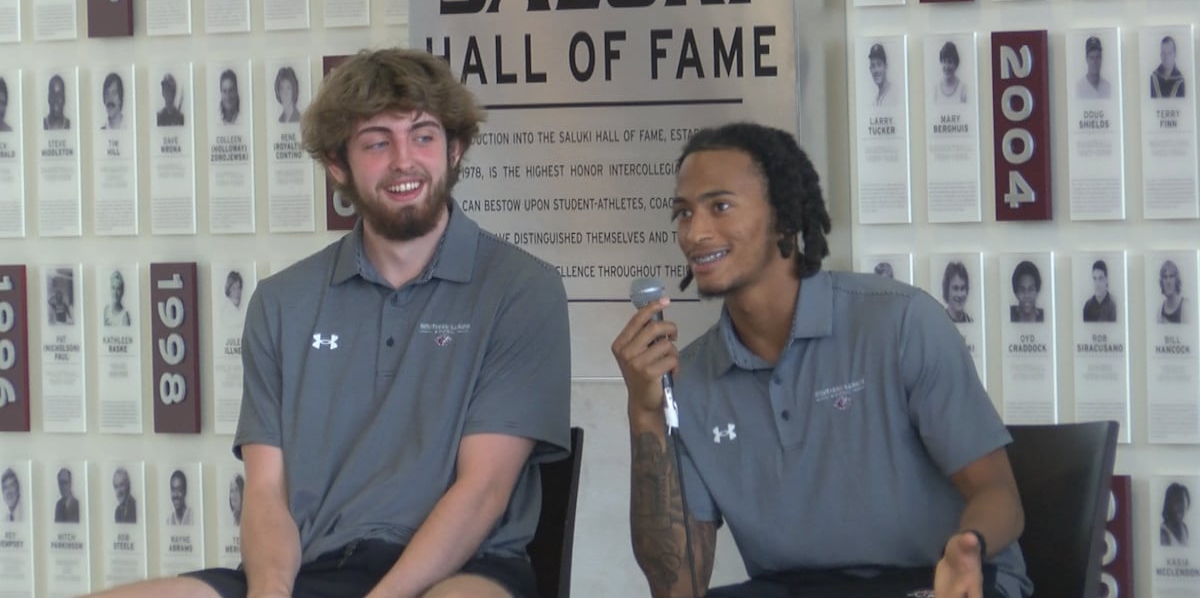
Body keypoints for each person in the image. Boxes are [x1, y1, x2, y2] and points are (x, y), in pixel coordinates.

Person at [89, 48, 570, 598]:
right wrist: (270, 591)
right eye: (376, 142)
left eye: (423, 136)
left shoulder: (521, 288)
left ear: (454, 149)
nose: (404, 161)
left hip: (463, 571)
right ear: (338, 165)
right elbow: (266, 493)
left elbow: (483, 490)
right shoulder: (280, 302)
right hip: (307, 573)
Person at [612, 122, 1030, 598]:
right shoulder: (686, 379)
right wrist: (645, 413)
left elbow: (1002, 497)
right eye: (683, 213)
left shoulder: (900, 324)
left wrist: (967, 547)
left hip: (937, 579)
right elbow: (678, 586)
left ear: (784, 218)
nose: (695, 232)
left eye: (720, 206)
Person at [1161, 483, 1191, 547]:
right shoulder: (1163, 533)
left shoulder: (1184, 528)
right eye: (1178, 503)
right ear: (1169, 504)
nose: (1181, 508)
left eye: (1184, 503)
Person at [1158, 259, 1186, 324]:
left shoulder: (1185, 307)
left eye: (1171, 276)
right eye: (1165, 277)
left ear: (1176, 280)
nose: (1168, 281)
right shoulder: (1159, 312)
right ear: (1162, 282)